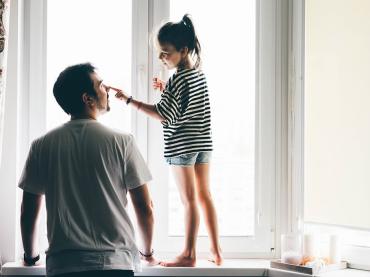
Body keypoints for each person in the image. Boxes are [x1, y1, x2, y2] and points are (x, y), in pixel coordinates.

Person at [19, 63, 158, 277]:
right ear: (87, 98)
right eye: (101, 85)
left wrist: (30, 258)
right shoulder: (122, 142)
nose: (108, 90)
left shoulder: (42, 145)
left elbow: (28, 211)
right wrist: (147, 253)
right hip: (114, 263)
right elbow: (144, 206)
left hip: (64, 266)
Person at [114, 14, 223, 267]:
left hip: (182, 146)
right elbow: (187, 106)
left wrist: (130, 100)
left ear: (183, 50)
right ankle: (216, 252)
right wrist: (167, 90)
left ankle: (189, 254)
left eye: (166, 53)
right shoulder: (197, 74)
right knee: (205, 195)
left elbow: (164, 115)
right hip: (202, 143)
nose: (162, 58)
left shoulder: (177, 79)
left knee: (189, 200)